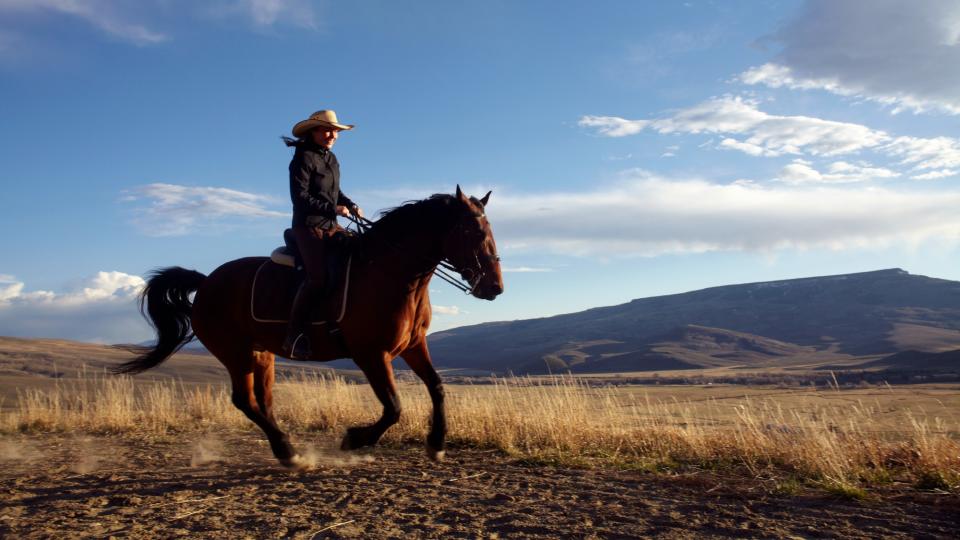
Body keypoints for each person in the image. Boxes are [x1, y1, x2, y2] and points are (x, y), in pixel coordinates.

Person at [282, 110, 364, 359]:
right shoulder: (303, 158)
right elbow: (300, 197)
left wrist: (351, 204)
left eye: (336, 131)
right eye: (327, 130)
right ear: (313, 132)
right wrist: (334, 209)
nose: (332, 135)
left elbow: (335, 192)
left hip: (330, 227)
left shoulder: (332, 160)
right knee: (318, 278)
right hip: (308, 227)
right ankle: (293, 335)